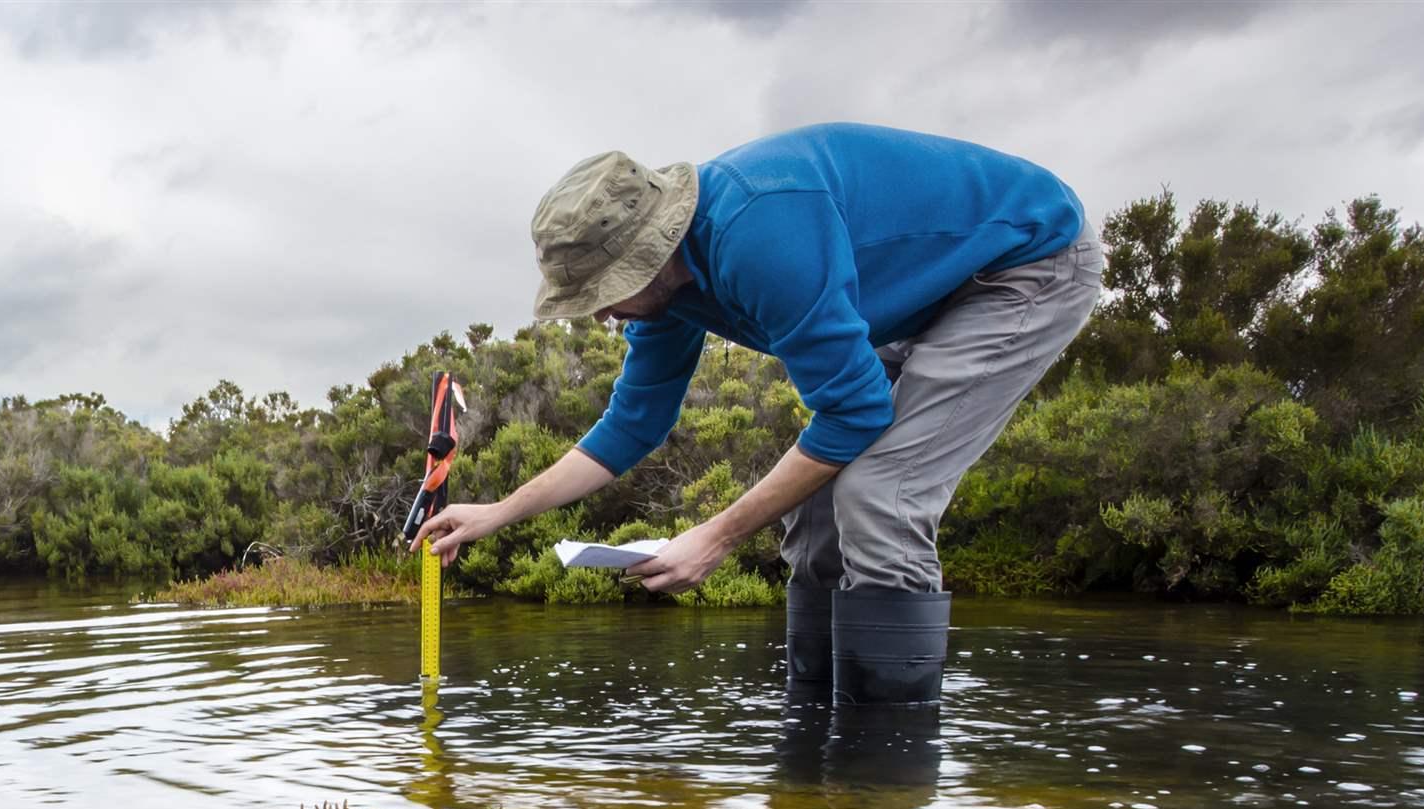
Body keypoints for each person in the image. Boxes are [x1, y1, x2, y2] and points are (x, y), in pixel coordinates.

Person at [413, 122, 1102, 706]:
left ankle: (882, 777)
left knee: (878, 493)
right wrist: (499, 511)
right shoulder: (669, 293)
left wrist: (715, 537)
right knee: (818, 507)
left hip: (1023, 266)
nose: (599, 311)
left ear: (655, 251)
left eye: (607, 289)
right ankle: (812, 749)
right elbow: (633, 425)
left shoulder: (761, 235)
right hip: (918, 295)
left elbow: (855, 414)